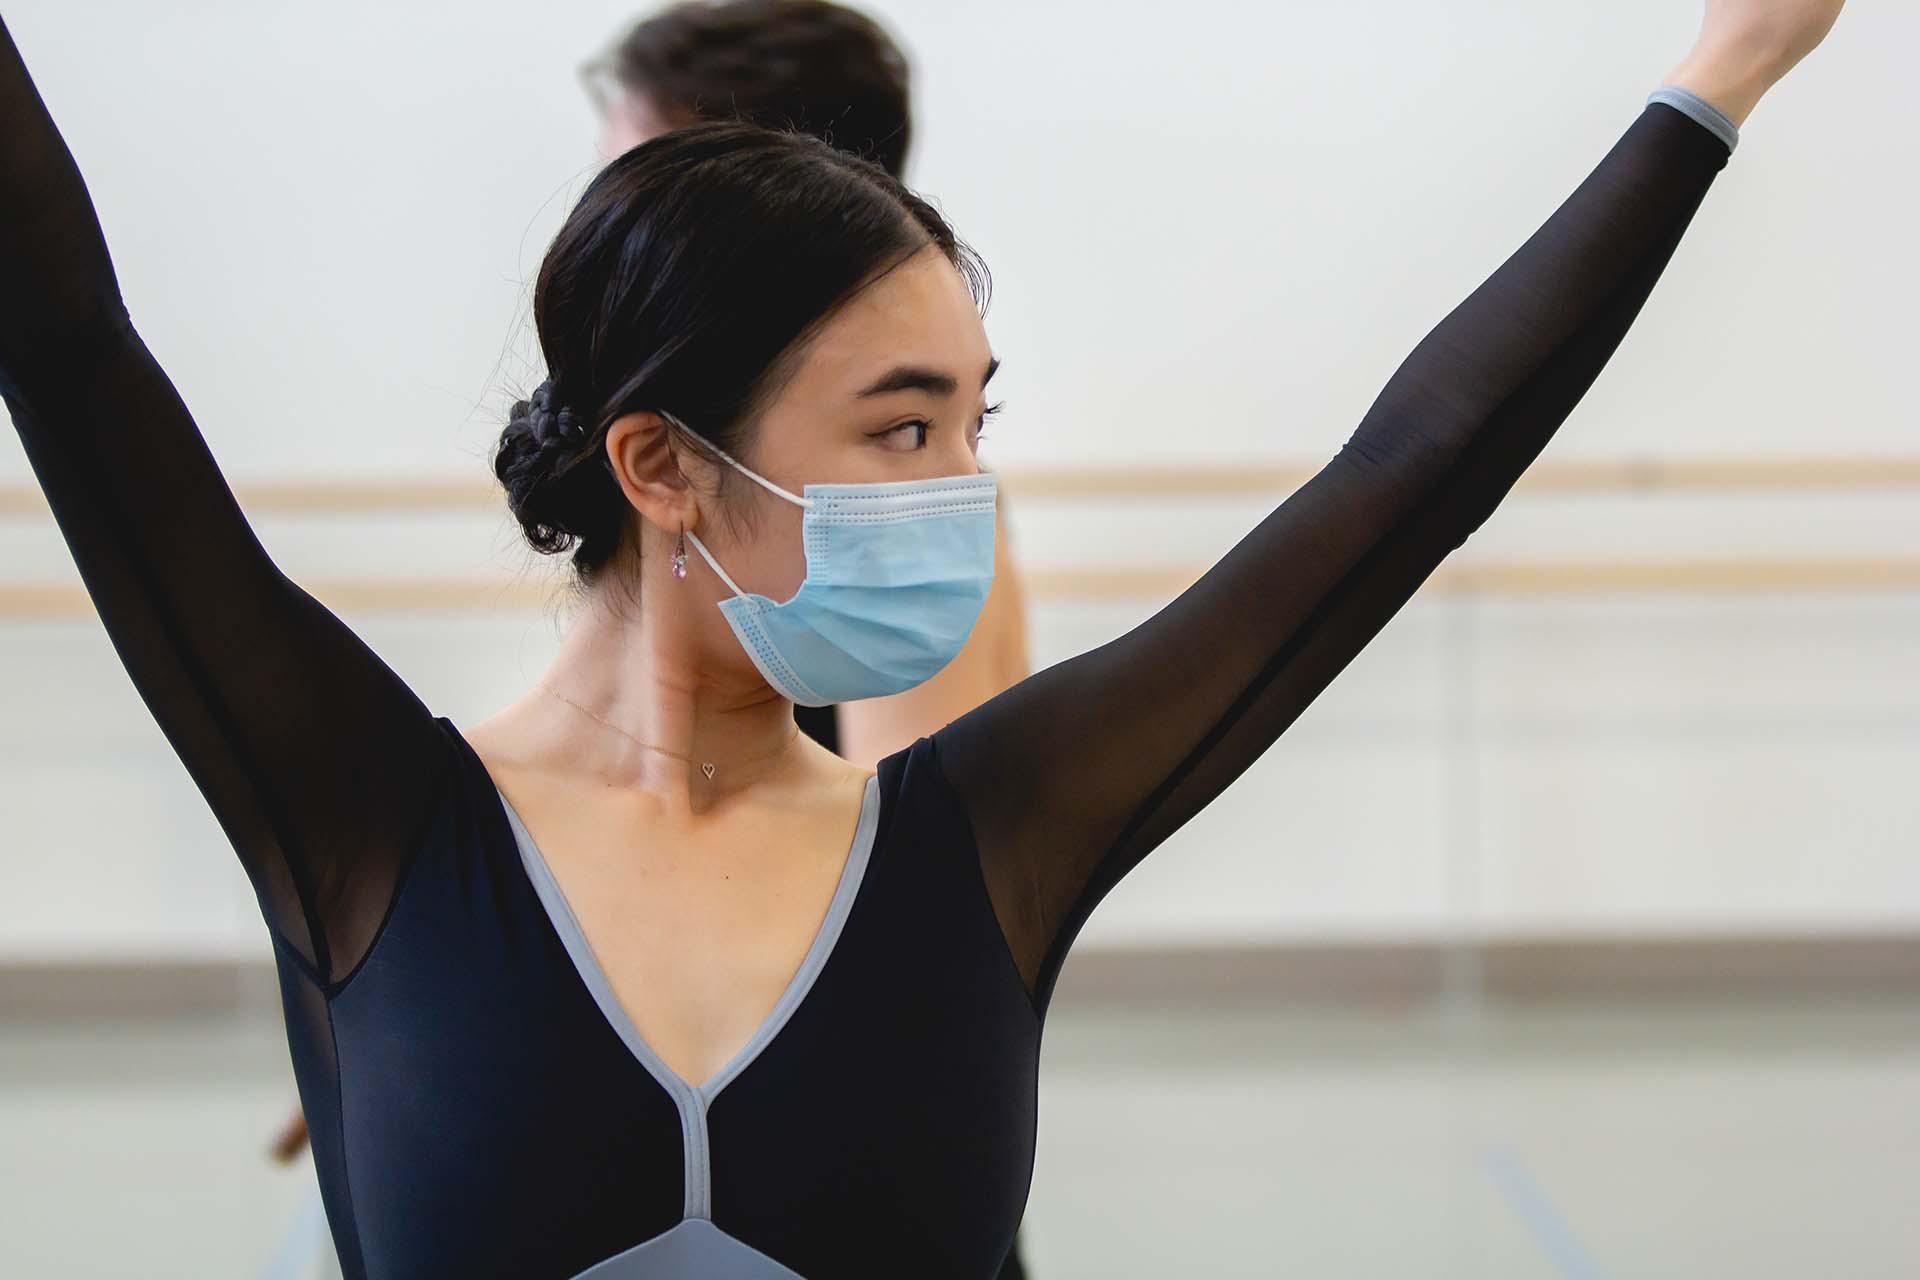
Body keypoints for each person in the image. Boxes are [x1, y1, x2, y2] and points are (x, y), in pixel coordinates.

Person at [0, 0, 1848, 1275]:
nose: (959, 485)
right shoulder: (372, 828)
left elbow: (1407, 475)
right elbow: (75, 354)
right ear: (663, 463)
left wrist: (1721, 76)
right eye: (901, 429)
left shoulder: (994, 836)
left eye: (976, 422)